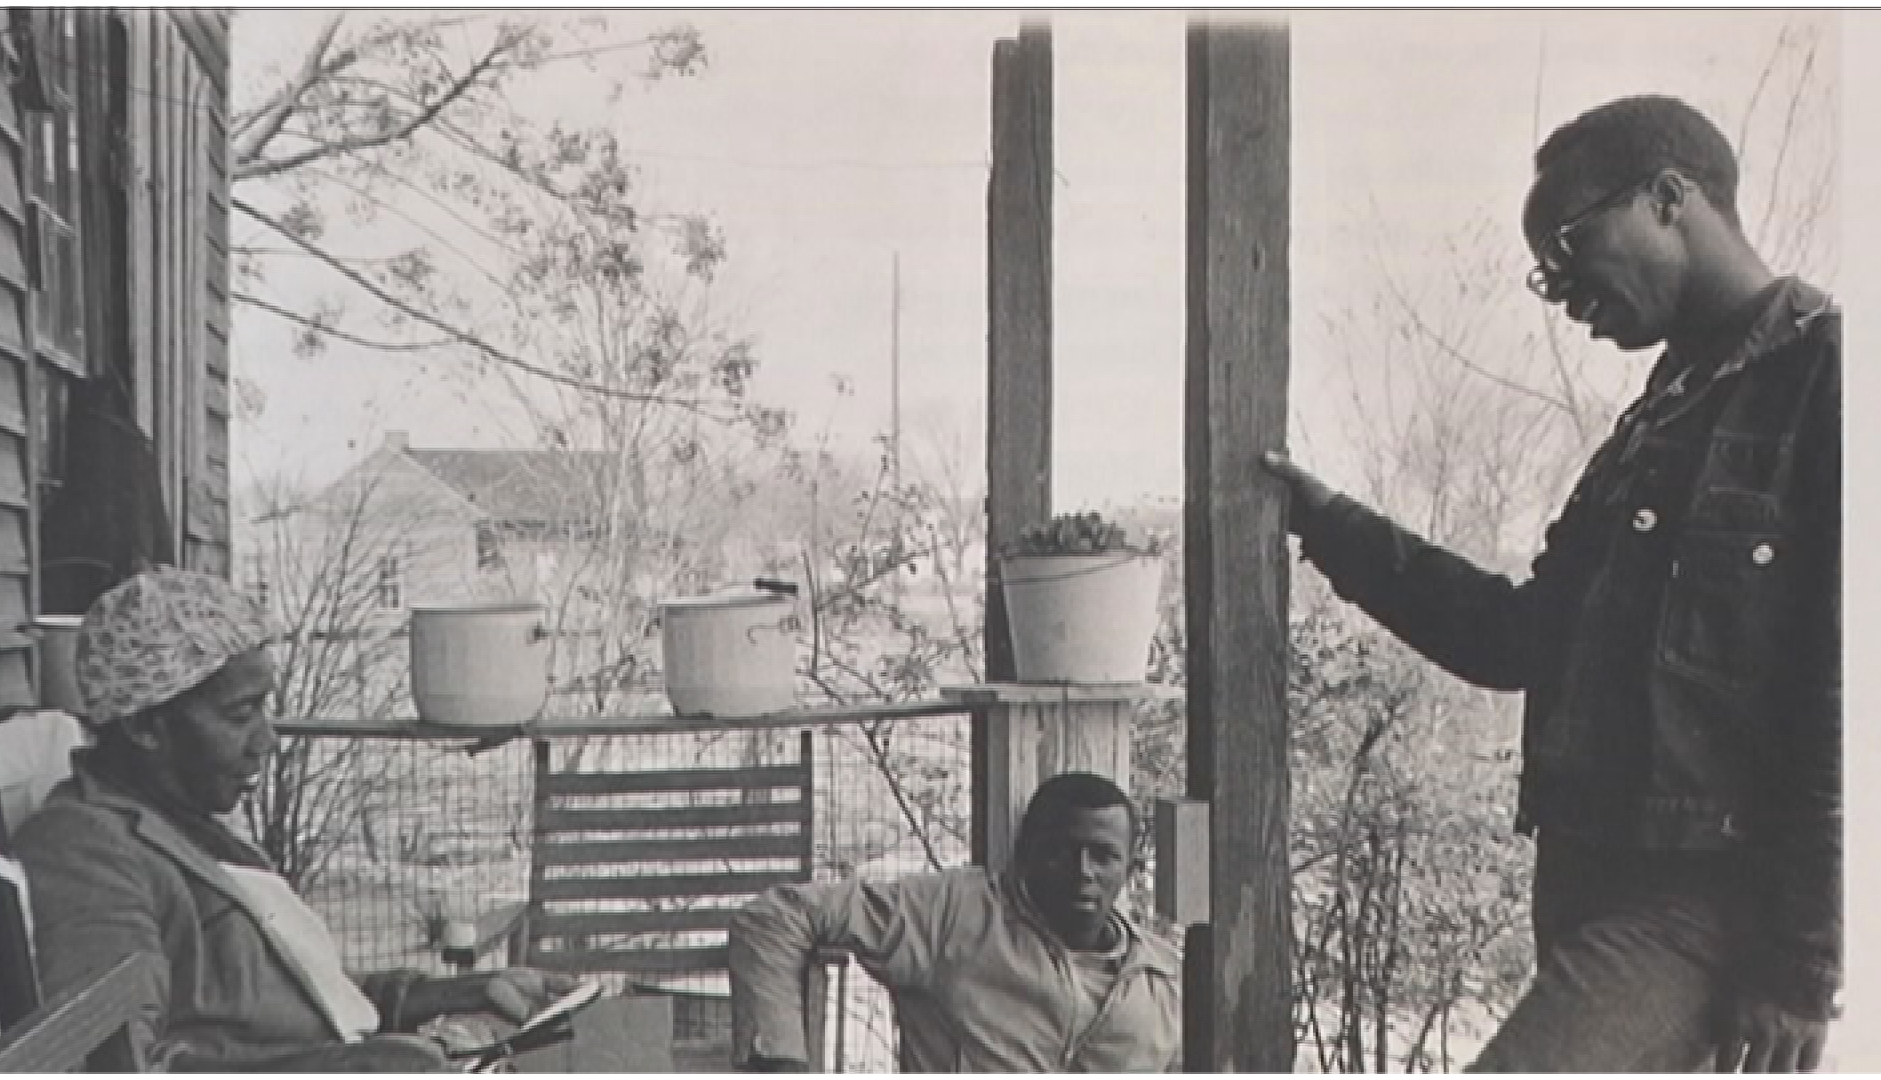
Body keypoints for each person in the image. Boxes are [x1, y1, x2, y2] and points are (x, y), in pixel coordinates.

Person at [1261, 94, 1839, 1074]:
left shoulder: (1829, 384)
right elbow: (1519, 636)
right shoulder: (1658, 420)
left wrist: (1800, 965)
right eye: (1544, 269)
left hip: (1701, 907)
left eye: (1570, 245)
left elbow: (1842, 696)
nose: (1561, 290)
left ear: (1669, 197)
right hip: (1585, 884)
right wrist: (1328, 524)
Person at [14, 567, 585, 1074]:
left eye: (264, 708)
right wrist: (350, 1066)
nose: (266, 741)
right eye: (240, 714)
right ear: (145, 727)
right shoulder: (85, 850)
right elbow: (115, 1062)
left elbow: (297, 1005)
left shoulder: (183, 823)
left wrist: (462, 993)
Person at [728, 771, 1180, 1074]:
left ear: (1131, 868)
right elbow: (777, 917)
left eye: (1103, 856)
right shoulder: (954, 914)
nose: (1082, 872)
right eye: (1060, 852)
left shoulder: (1164, 979)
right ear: (1025, 853)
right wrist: (780, 1060)